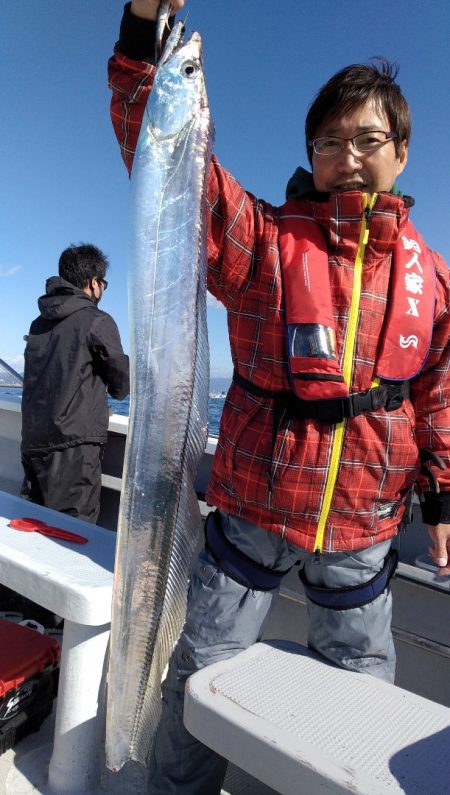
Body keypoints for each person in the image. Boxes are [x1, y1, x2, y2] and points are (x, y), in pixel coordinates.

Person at [109, 2, 450, 792]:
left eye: (368, 139)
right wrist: (139, 43)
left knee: (358, 705)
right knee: (198, 679)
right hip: (252, 514)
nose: (349, 156)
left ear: (402, 152)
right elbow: (166, 157)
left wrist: (441, 496)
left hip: (367, 527)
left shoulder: (431, 280)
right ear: (311, 154)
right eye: (330, 141)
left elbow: (436, 394)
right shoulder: (262, 241)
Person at [21, 243, 129, 524]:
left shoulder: (38, 323)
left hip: (33, 442)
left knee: (35, 528)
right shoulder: (97, 321)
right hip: (74, 448)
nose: (103, 289)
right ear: (93, 282)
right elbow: (121, 385)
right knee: (71, 535)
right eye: (103, 282)